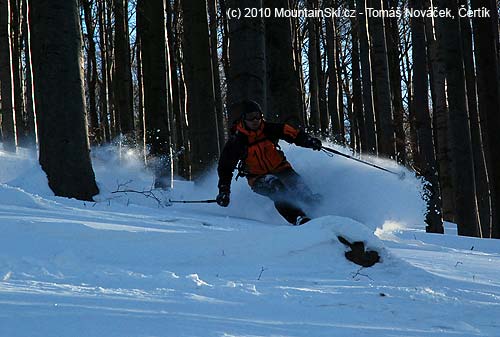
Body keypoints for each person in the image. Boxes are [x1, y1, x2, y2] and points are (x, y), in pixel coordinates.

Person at [216, 100, 322, 226]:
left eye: (258, 116)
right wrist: (224, 191)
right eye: (250, 117)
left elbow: (293, 134)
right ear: (243, 119)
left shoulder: (269, 129)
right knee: (277, 188)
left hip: (281, 168)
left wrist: (309, 141)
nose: (255, 120)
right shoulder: (236, 142)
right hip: (258, 178)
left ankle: (321, 212)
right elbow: (225, 168)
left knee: (300, 188)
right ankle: (299, 218)